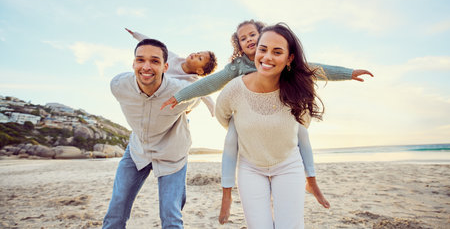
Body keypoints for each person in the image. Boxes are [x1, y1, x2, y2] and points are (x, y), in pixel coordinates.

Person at [160, 20, 373, 223]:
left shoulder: (288, 71)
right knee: (233, 136)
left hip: (284, 146)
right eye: (244, 39)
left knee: (301, 133)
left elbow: (314, 69)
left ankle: (312, 181)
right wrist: (180, 96)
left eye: (253, 35)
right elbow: (209, 84)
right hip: (244, 122)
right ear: (240, 45)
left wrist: (349, 73)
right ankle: (227, 195)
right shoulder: (236, 70)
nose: (251, 41)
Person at [215, 22, 327, 228]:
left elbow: (302, 133)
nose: (267, 58)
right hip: (250, 168)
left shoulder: (298, 91)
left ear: (289, 58)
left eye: (277, 52)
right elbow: (223, 118)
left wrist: (311, 178)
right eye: (263, 49)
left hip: (288, 165)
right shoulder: (234, 90)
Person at [102, 38, 200, 229]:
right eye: (140, 60)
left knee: (171, 216)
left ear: (165, 67)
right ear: (133, 63)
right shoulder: (118, 85)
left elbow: (197, 98)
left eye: (154, 61)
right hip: (138, 150)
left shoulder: (181, 92)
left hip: (172, 153)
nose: (146, 66)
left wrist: (186, 111)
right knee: (116, 210)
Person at [125, 28, 218, 116]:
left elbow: (205, 94)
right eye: (198, 52)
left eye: (200, 58)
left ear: (200, 71)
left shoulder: (193, 81)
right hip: (154, 86)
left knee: (192, 100)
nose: (195, 55)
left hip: (169, 100)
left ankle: (182, 119)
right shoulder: (174, 58)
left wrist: (214, 111)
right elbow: (156, 46)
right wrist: (135, 35)